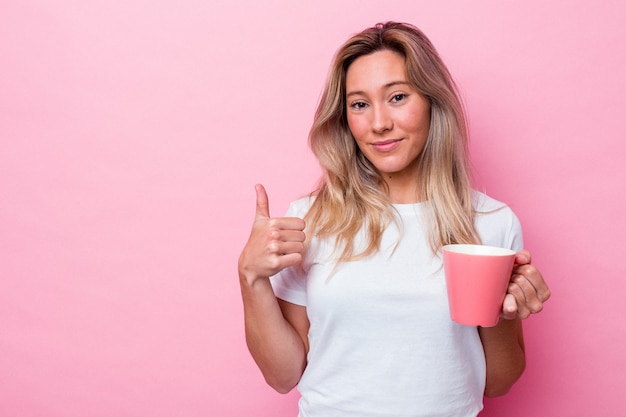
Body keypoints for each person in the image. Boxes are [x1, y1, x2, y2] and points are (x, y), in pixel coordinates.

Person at [238, 21, 550, 417]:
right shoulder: (309, 219)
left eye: (398, 97)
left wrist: (505, 312)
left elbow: (499, 382)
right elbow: (283, 375)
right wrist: (250, 279)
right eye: (359, 104)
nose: (379, 123)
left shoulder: (491, 223)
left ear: (432, 101)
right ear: (345, 118)